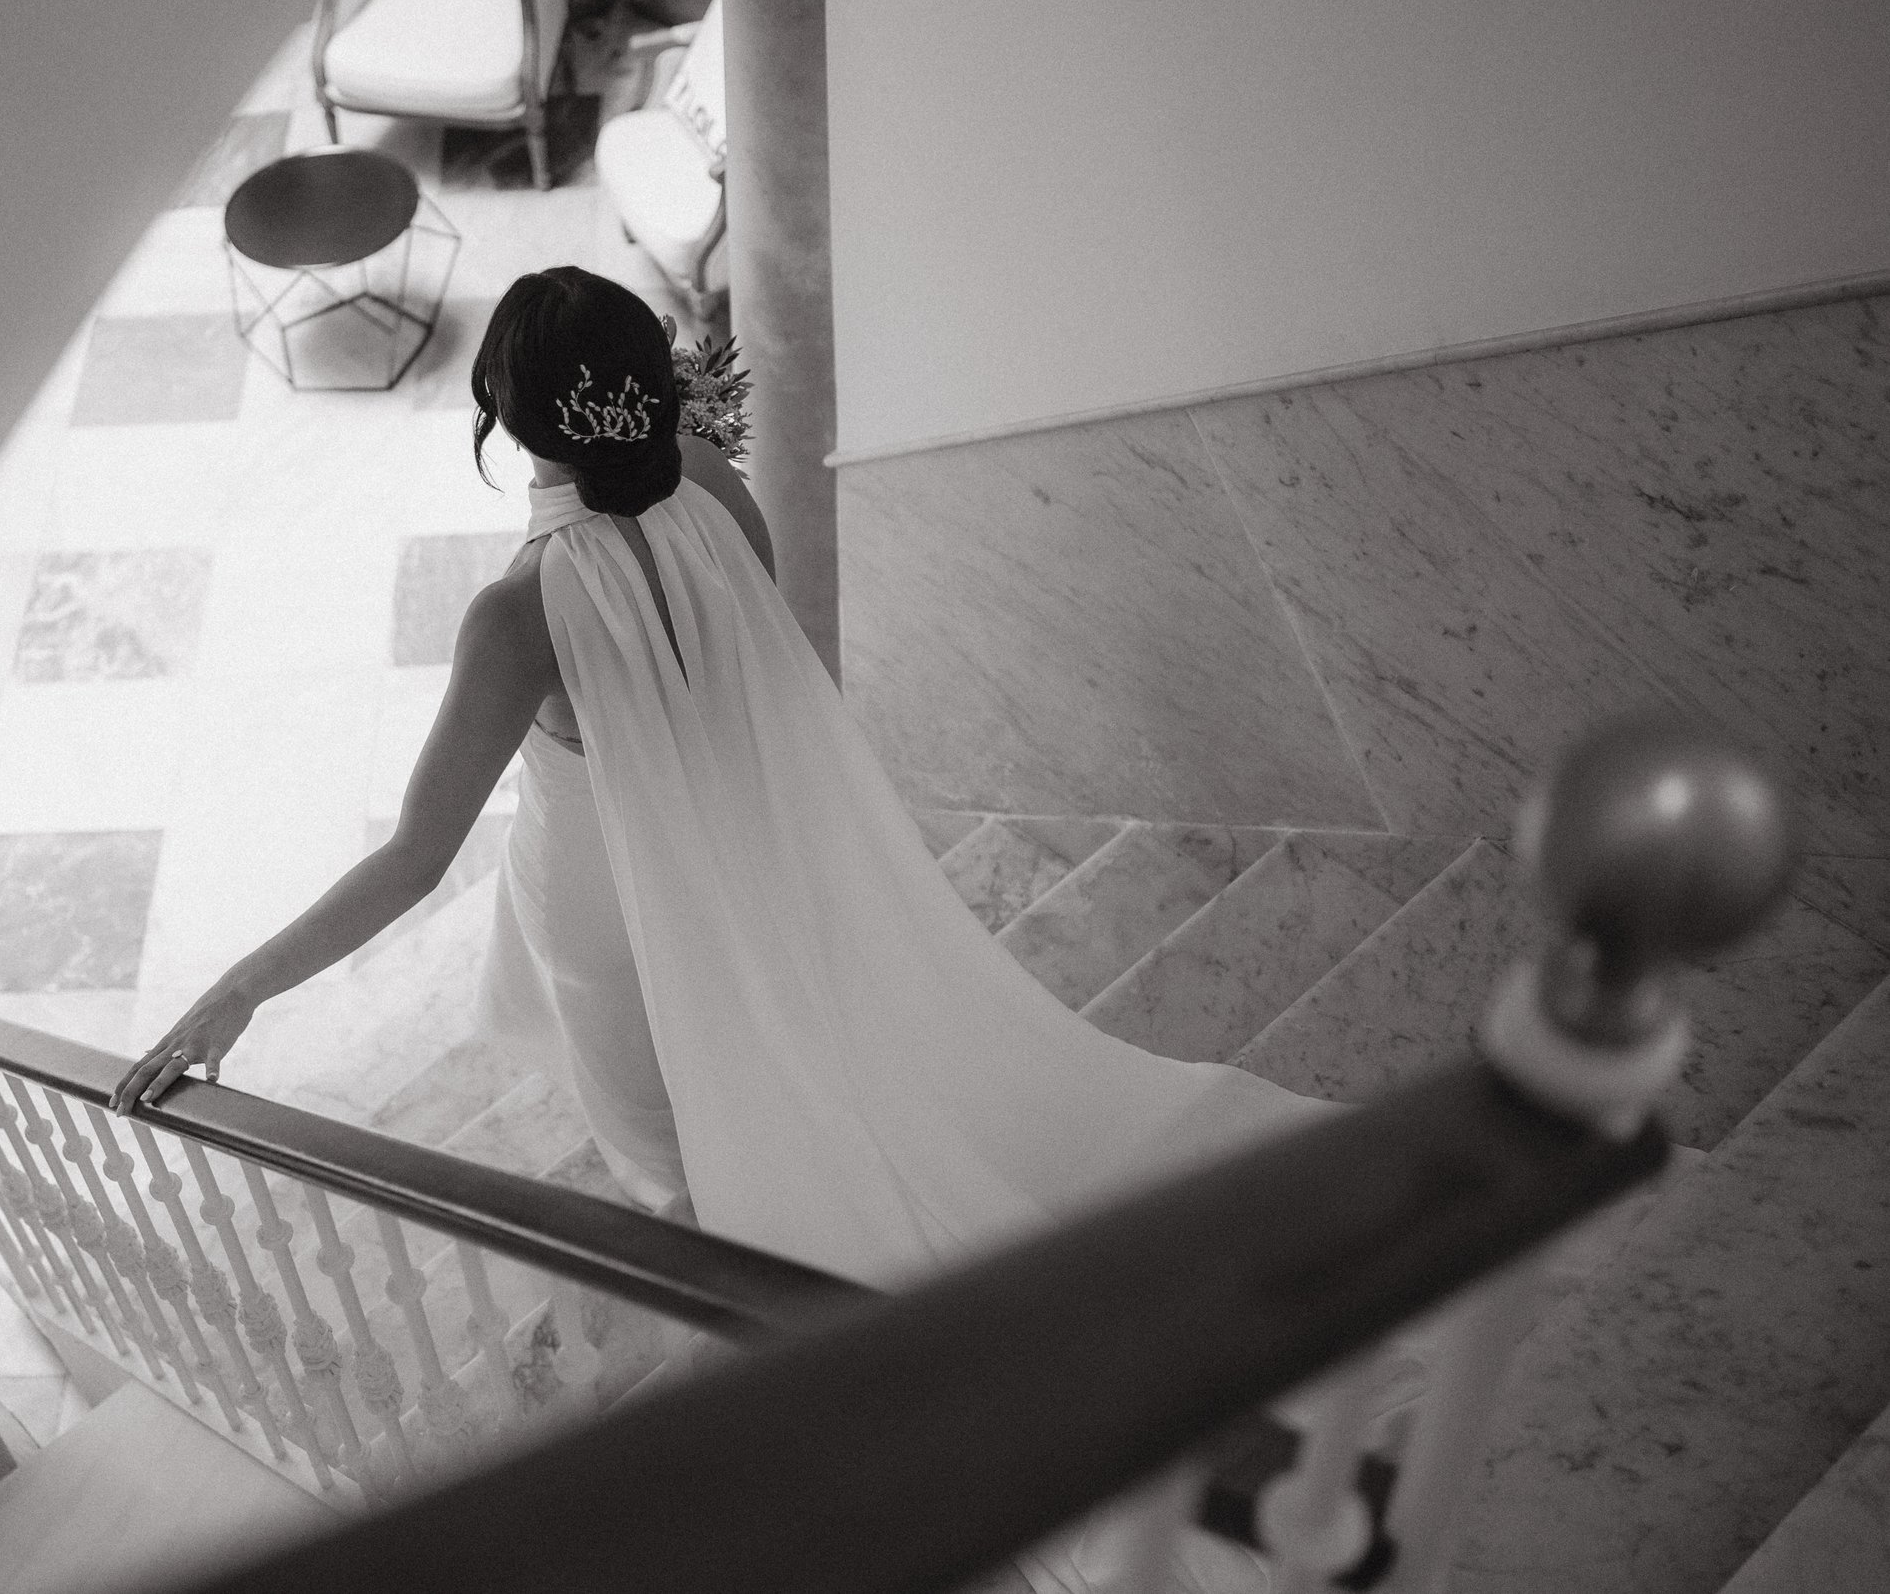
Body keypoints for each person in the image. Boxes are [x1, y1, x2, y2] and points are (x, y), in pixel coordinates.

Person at [112, 266, 1329, 1294]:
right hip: (744, 836)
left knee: (660, 1127)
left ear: (505, 416)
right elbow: (755, 661)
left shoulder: (516, 613)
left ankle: (727, 1259)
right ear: (655, 386)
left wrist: (239, 989)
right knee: (765, 1040)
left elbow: (414, 858)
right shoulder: (712, 474)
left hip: (604, 908)